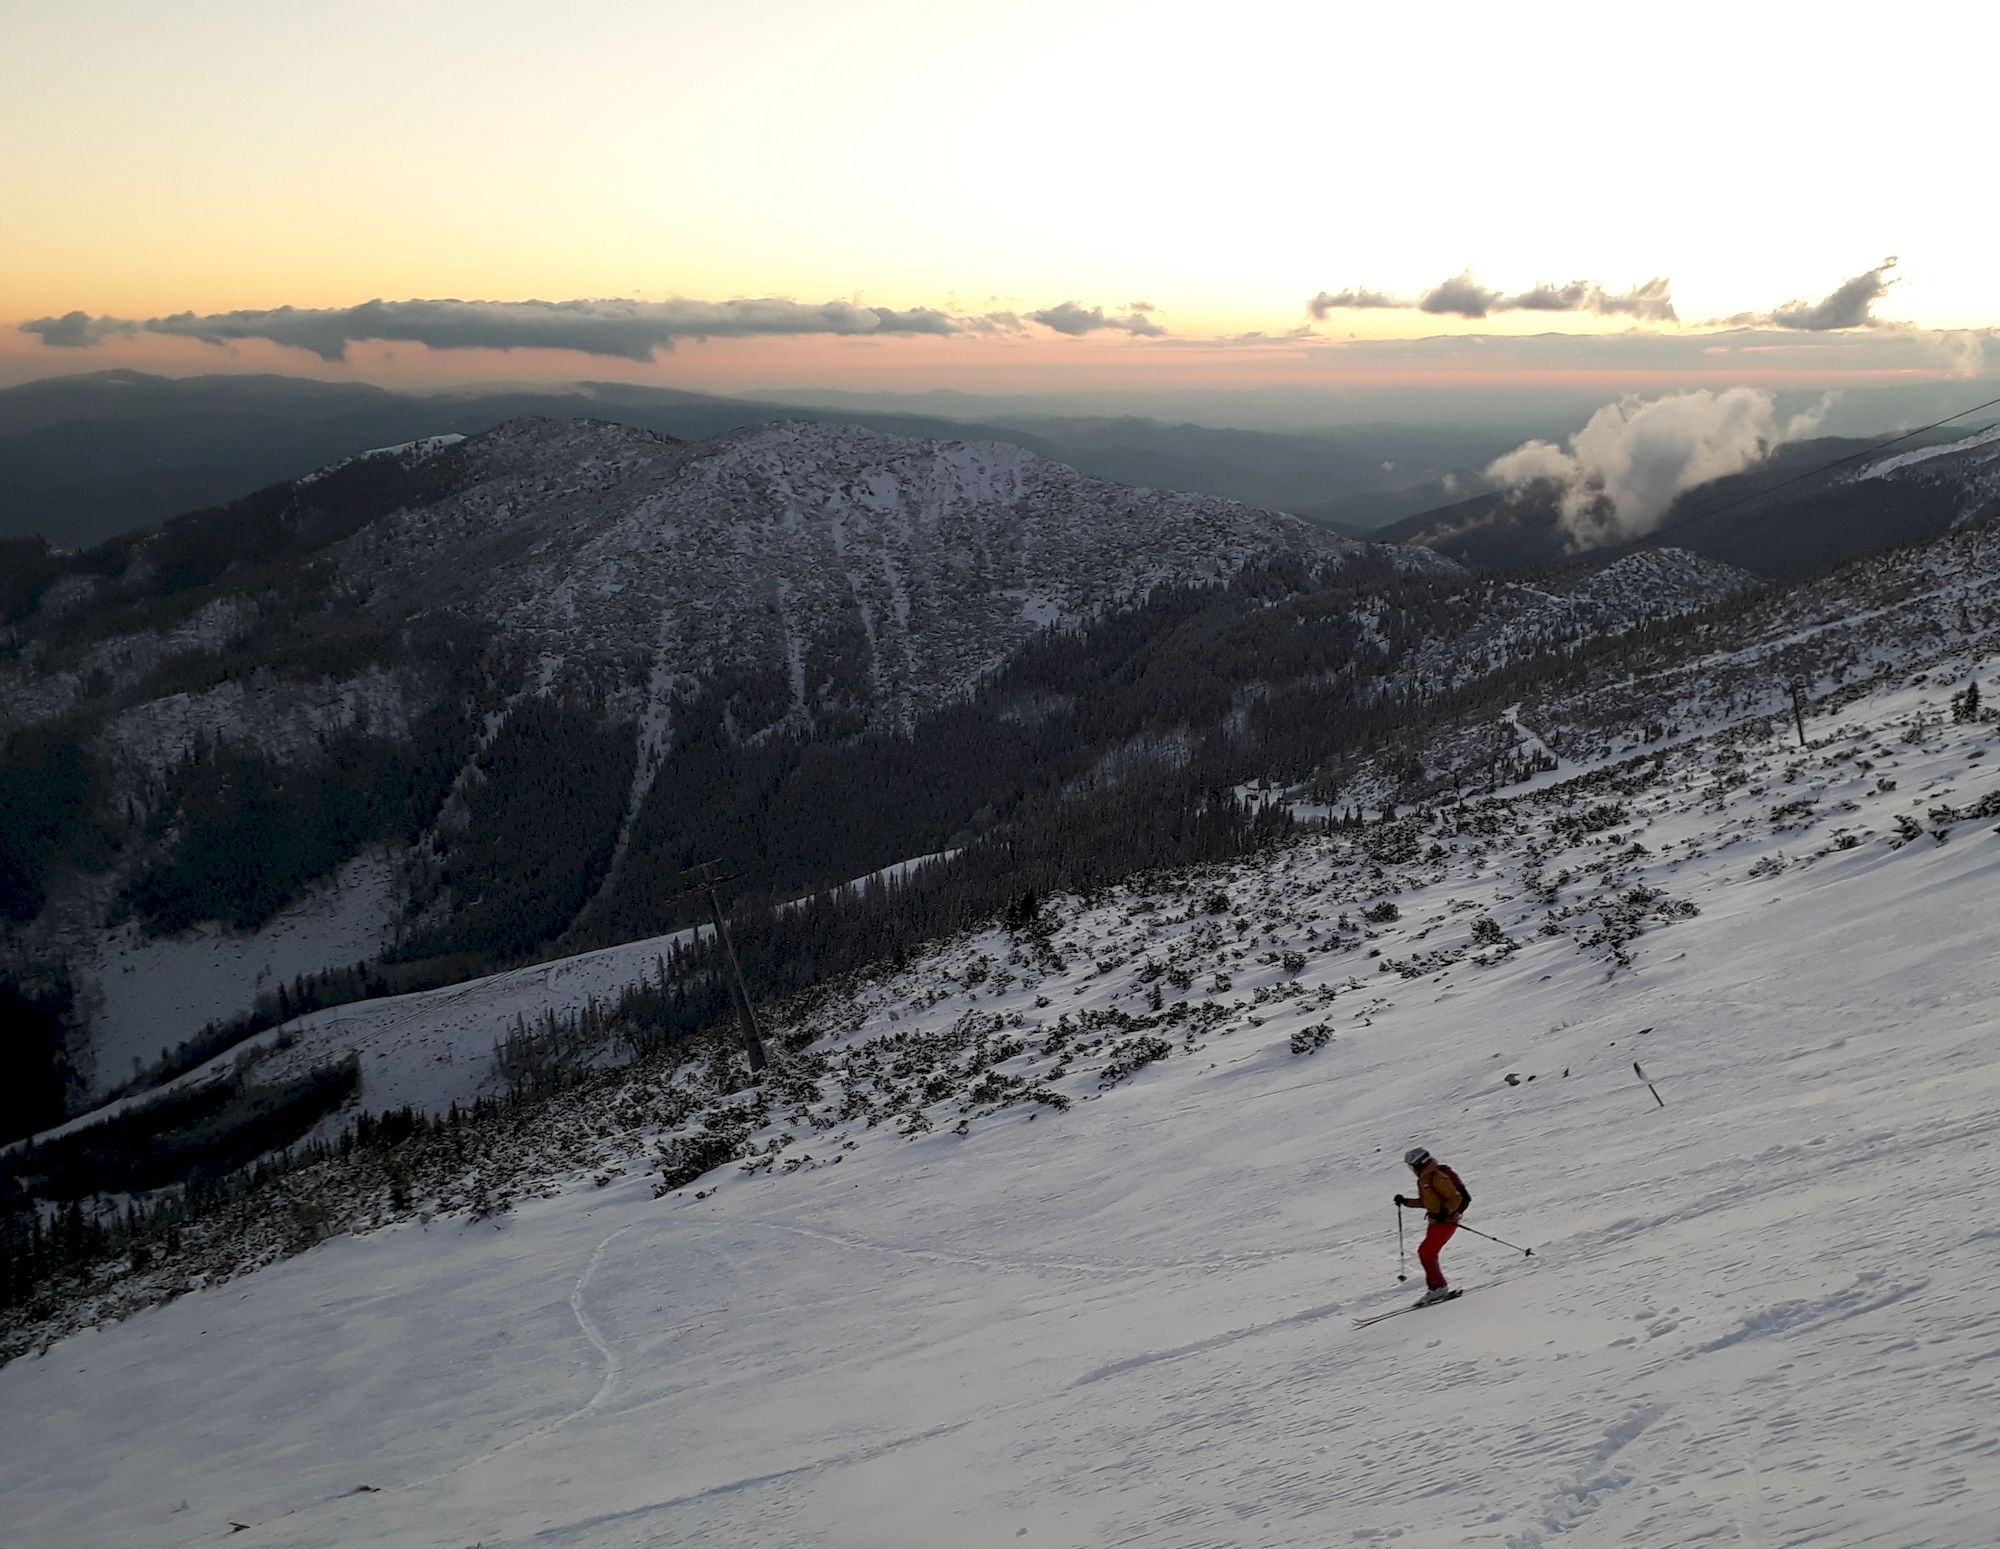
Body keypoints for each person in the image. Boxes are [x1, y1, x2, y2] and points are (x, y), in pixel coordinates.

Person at [1395, 1145, 1470, 1305]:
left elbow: (1455, 1197)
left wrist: (1445, 1212)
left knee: (1426, 1252)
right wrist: (1405, 1201)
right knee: (1427, 1253)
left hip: (1446, 1222)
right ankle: (1437, 1287)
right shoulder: (1425, 1179)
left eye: (1412, 1166)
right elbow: (1427, 1202)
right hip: (1436, 1222)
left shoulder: (1436, 1176)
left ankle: (1438, 1288)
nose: (1412, 1170)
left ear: (1419, 1163)